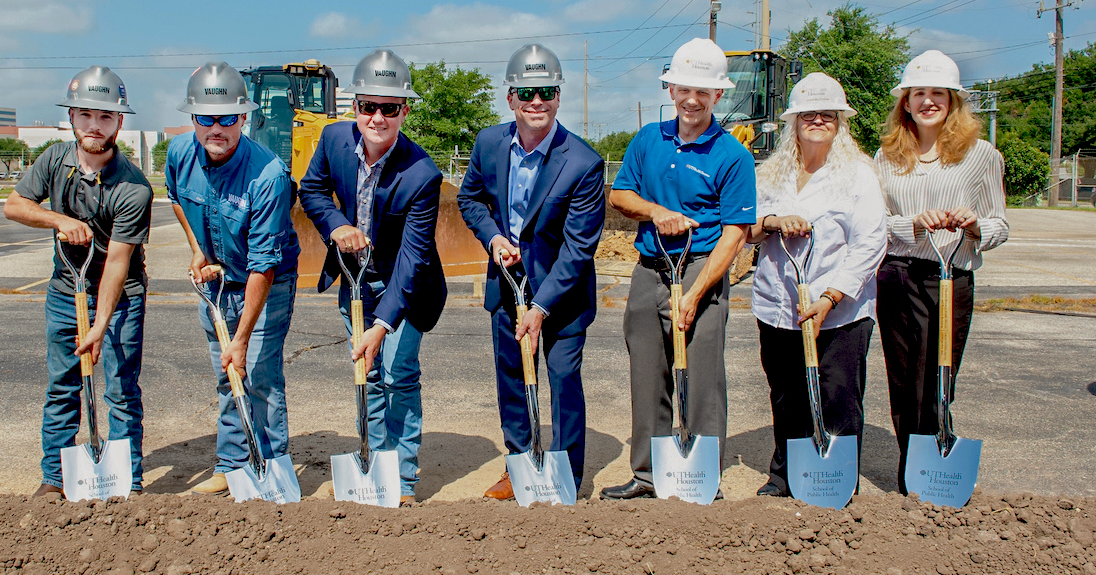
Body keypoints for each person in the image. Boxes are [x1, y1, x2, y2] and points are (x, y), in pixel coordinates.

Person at [600, 38, 756, 500]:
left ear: (717, 97)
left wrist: (696, 292)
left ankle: (702, 474)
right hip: (650, 267)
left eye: (703, 92)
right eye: (684, 88)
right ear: (671, 89)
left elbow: (735, 234)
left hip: (701, 268)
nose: (692, 99)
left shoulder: (733, 155)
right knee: (648, 373)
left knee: (703, 375)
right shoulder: (648, 139)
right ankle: (648, 474)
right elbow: (620, 196)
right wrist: (655, 212)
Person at [457, 44, 605, 500]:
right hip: (505, 285)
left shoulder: (583, 162)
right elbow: (471, 199)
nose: (536, 102)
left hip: (562, 292)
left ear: (558, 96)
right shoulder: (489, 143)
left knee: (561, 379)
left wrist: (540, 307)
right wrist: (493, 237)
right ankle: (518, 465)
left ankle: (565, 476)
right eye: (526, 92)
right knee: (512, 378)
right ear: (511, 98)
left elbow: (579, 248)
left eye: (546, 92)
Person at [299, 49, 446, 506]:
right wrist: (336, 225)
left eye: (389, 108)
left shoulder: (422, 174)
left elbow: (413, 257)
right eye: (368, 106)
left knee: (397, 372)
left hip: (406, 286)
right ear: (355, 106)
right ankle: (374, 463)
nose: (377, 117)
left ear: (405, 110)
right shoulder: (331, 141)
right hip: (354, 280)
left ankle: (401, 480)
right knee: (369, 373)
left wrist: (382, 325)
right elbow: (312, 190)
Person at [4, 66, 152, 496]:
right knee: (62, 386)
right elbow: (15, 205)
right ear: (71, 117)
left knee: (122, 390)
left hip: (120, 295)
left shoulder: (134, 188)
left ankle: (129, 480)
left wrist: (101, 324)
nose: (94, 125)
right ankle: (54, 478)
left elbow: (118, 264)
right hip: (64, 291)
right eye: (85, 114)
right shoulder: (55, 158)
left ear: (119, 123)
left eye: (105, 117)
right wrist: (58, 219)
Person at [875, 50, 1009, 494]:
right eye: (919, 94)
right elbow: (878, 224)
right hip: (899, 274)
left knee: (941, 372)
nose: (928, 101)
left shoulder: (981, 155)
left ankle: (938, 459)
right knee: (904, 376)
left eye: (938, 93)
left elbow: (999, 224)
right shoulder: (888, 156)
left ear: (953, 101)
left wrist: (974, 226)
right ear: (906, 103)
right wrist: (913, 223)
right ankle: (911, 469)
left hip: (951, 275)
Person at [746, 73, 886, 497]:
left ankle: (835, 479)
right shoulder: (771, 174)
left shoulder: (858, 175)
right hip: (777, 304)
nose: (818, 120)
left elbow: (871, 241)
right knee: (786, 393)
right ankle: (785, 475)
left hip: (840, 311)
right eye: (809, 113)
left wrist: (831, 296)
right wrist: (773, 221)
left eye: (827, 114)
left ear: (840, 122)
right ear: (795, 121)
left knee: (838, 393)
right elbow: (746, 229)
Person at [166, 61, 301, 495]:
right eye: (206, 118)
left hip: (268, 279)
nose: (216, 128)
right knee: (226, 373)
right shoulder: (179, 154)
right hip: (217, 278)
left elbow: (264, 263)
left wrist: (241, 338)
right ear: (193, 119)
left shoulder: (269, 175)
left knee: (257, 372)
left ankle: (272, 467)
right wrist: (197, 249)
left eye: (227, 118)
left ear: (244, 117)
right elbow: (176, 200)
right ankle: (231, 464)